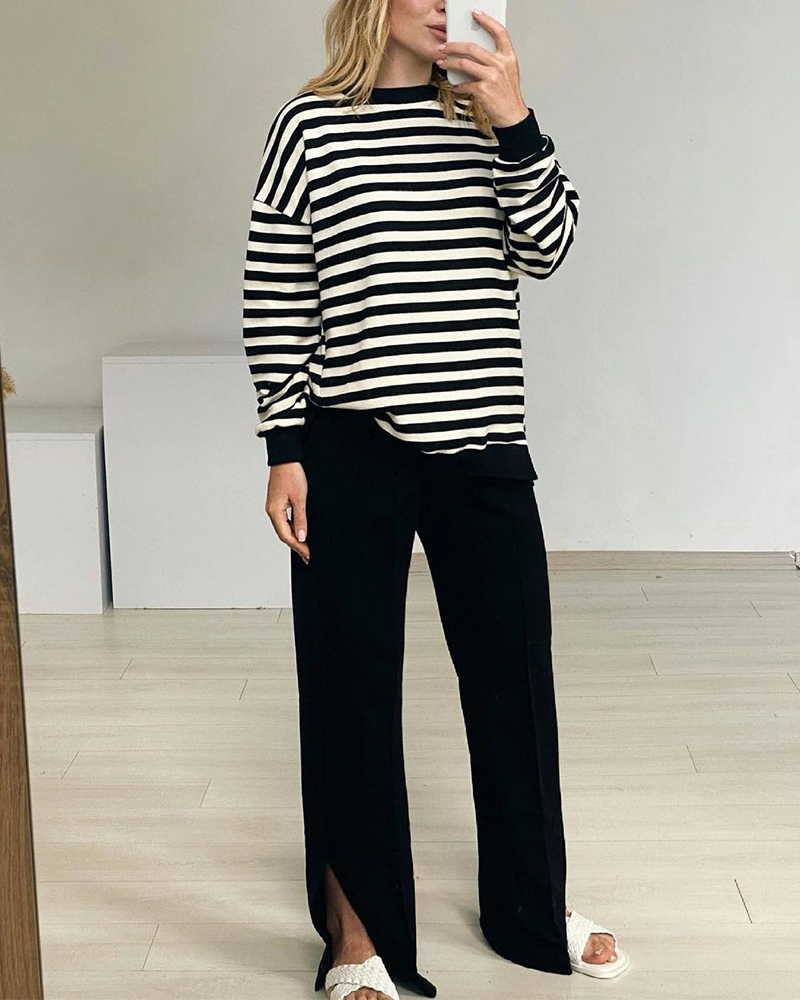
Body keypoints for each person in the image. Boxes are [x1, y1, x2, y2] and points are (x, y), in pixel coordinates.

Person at [242, 2, 630, 997]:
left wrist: (514, 116)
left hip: (483, 442)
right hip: (350, 441)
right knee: (349, 689)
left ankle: (531, 907)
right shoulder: (310, 125)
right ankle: (357, 936)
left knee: (513, 684)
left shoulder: (491, 119)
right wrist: (284, 447)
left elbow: (546, 249)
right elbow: (277, 289)